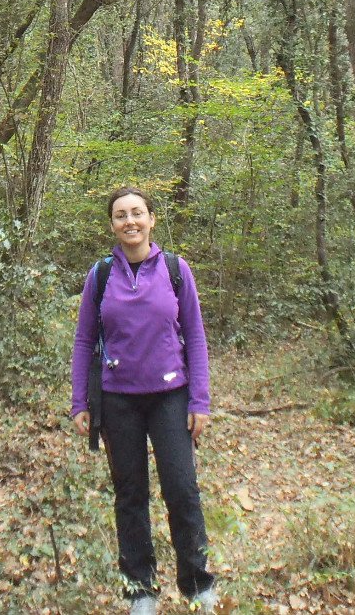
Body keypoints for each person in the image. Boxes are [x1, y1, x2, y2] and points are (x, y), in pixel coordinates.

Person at [71, 187, 219, 615]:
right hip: (118, 400)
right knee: (130, 495)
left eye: (137, 213)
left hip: (170, 396)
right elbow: (84, 341)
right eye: (121, 215)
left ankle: (197, 584)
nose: (130, 221)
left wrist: (200, 400)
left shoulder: (175, 270)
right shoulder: (100, 275)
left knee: (182, 490)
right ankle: (140, 590)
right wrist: (80, 401)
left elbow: (195, 336)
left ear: (152, 219)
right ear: (113, 225)